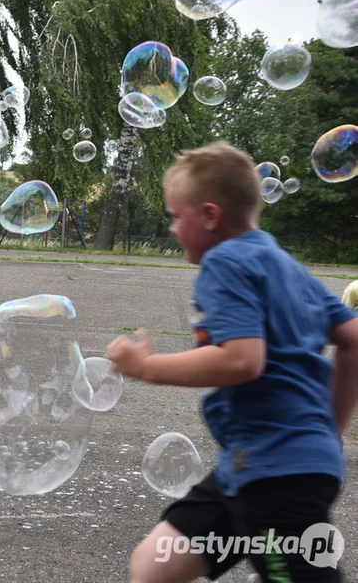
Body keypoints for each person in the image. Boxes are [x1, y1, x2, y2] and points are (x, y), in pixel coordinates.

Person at [104, 141, 358, 583]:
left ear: (209, 215)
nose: (172, 228)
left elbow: (242, 361)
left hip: (275, 475)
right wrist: (328, 428)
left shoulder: (225, 262)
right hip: (252, 464)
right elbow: (354, 338)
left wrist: (145, 367)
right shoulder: (285, 264)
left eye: (175, 216)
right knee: (155, 565)